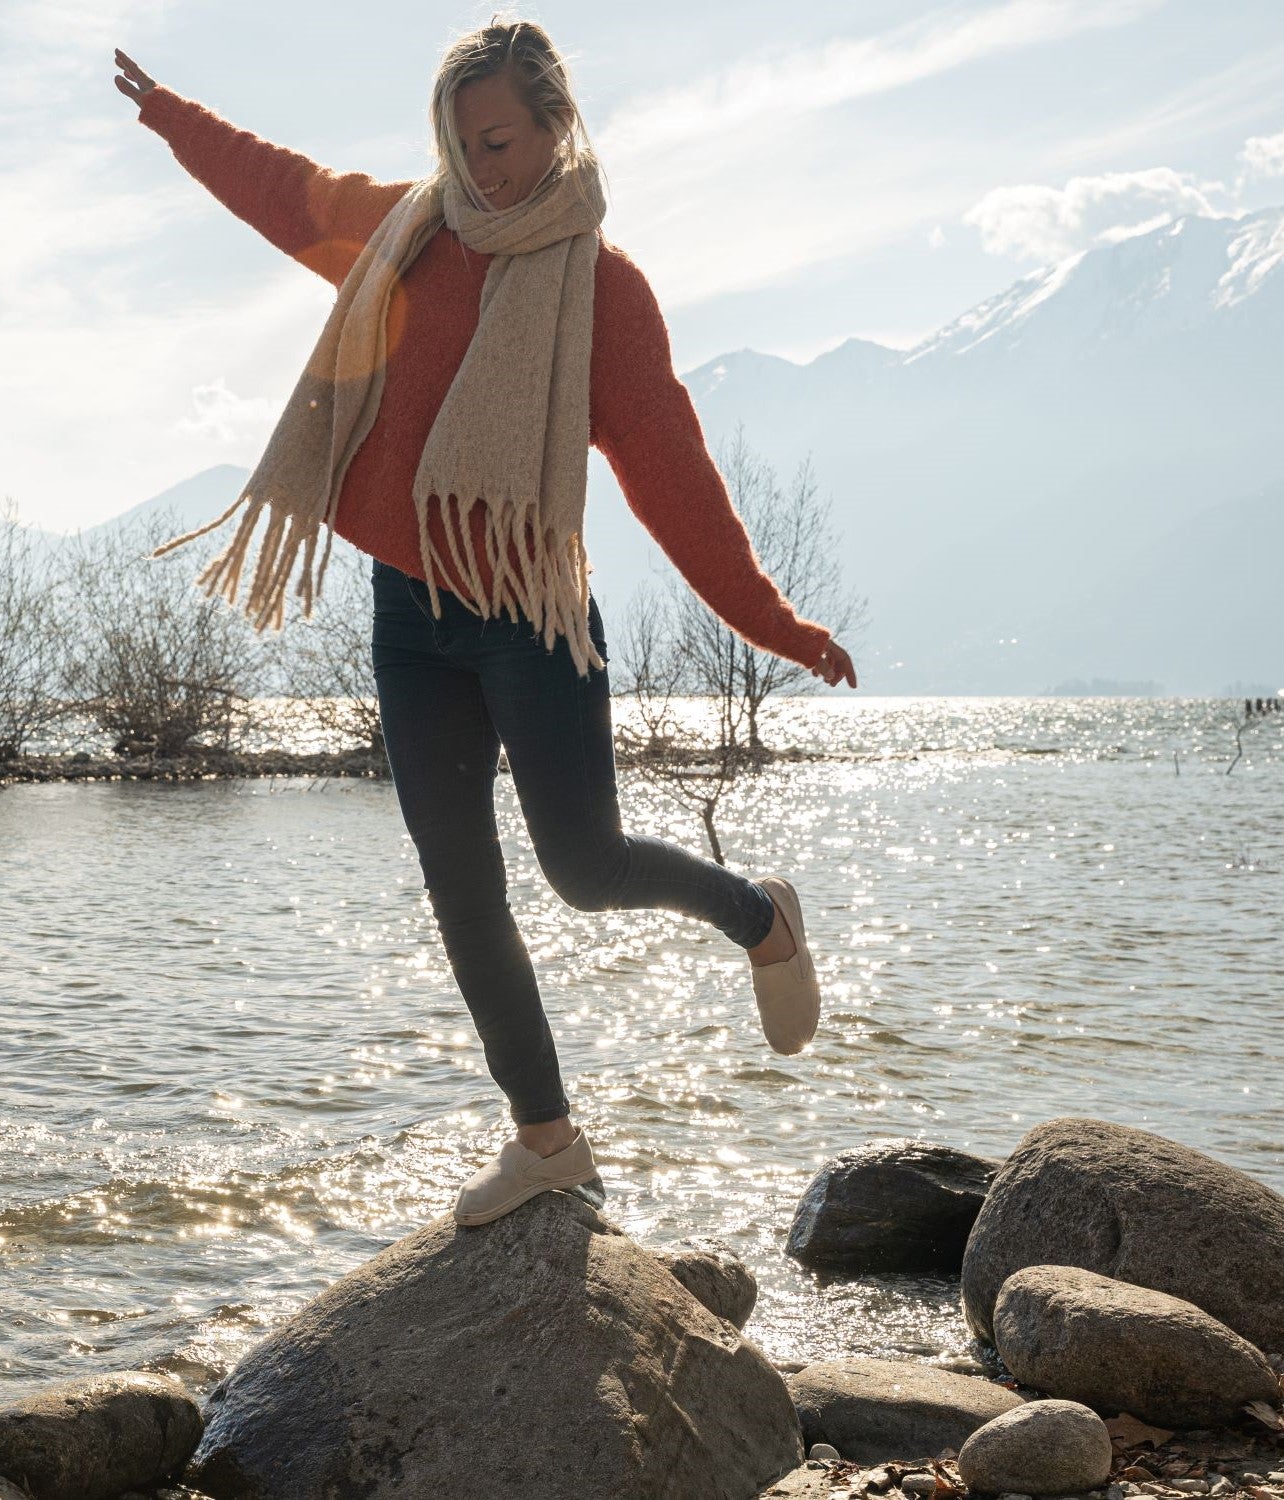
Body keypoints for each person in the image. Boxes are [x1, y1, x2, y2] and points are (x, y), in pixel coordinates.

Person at [114, 17, 858, 1229]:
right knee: (460, 886)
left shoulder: (604, 294)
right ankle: (548, 1140)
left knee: (585, 869)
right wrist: (174, 119)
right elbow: (283, 191)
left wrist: (777, 624)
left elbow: (672, 472)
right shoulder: (409, 230)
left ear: (557, 128)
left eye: (501, 141)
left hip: (526, 612)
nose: (480, 168)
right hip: (411, 615)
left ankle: (761, 917)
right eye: (461, 145)